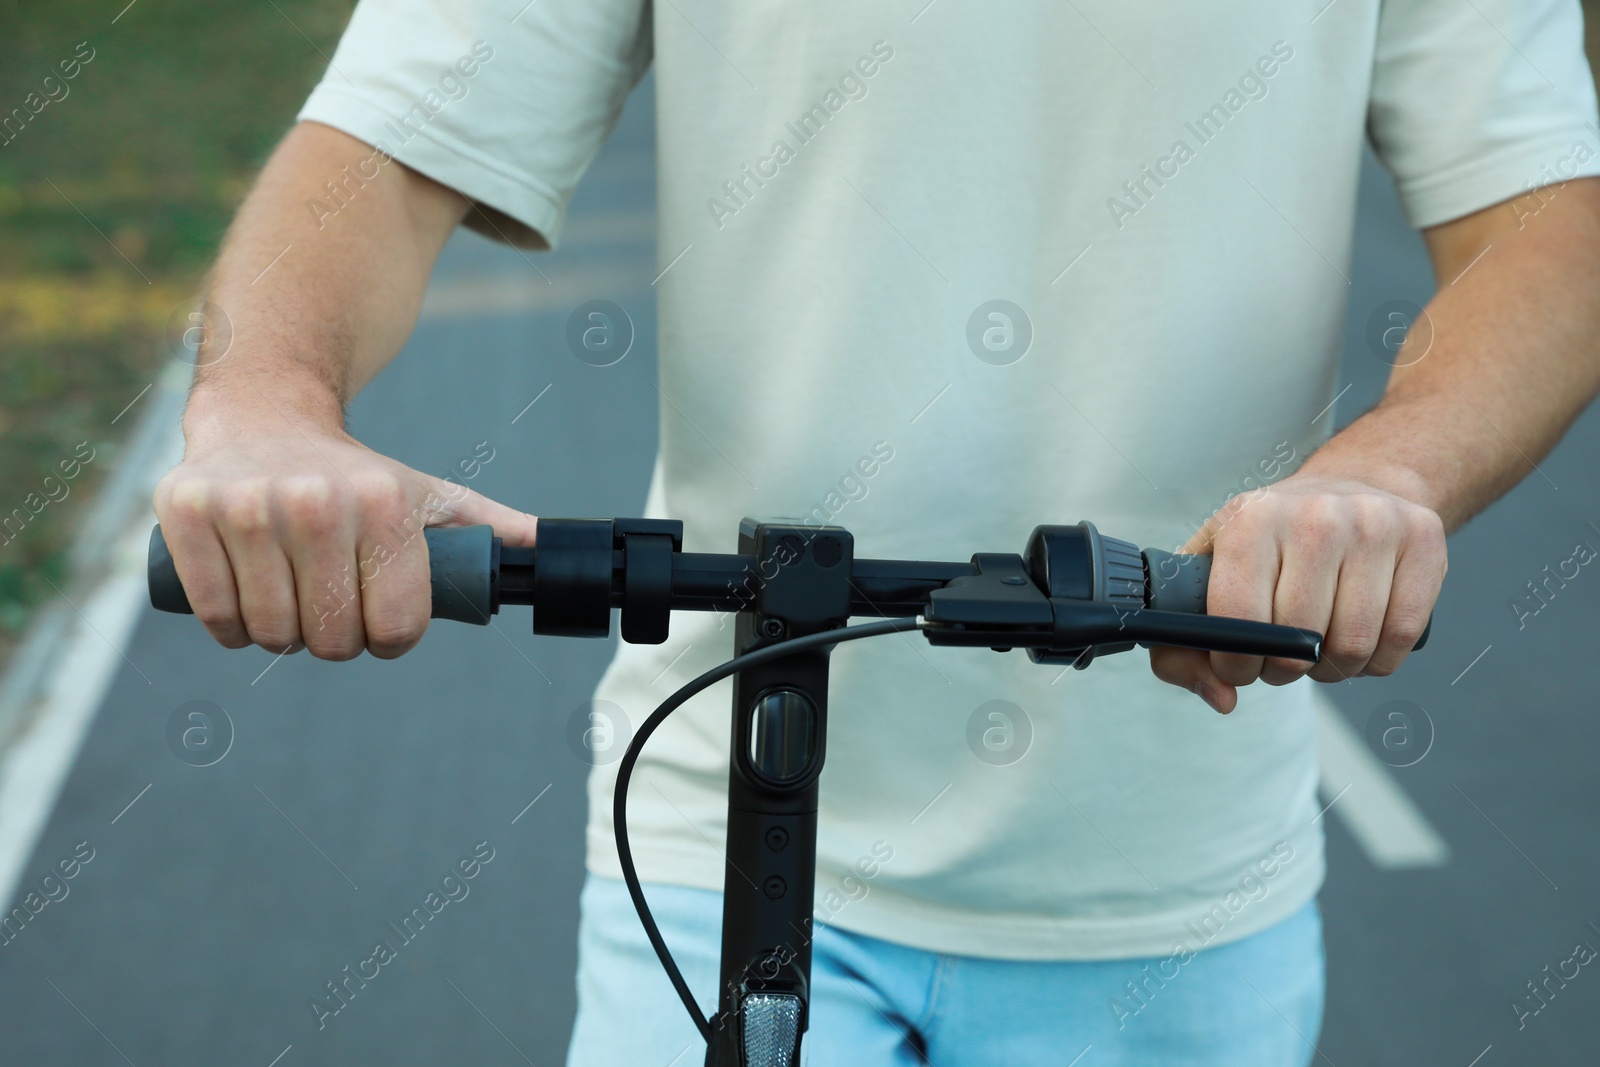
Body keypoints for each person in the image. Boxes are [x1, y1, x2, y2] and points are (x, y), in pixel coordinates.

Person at [153, 0, 1600, 1062]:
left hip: (1171, 894)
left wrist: (1387, 479)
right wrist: (270, 401)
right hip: (718, 832)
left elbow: (1548, 213)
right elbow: (395, 148)